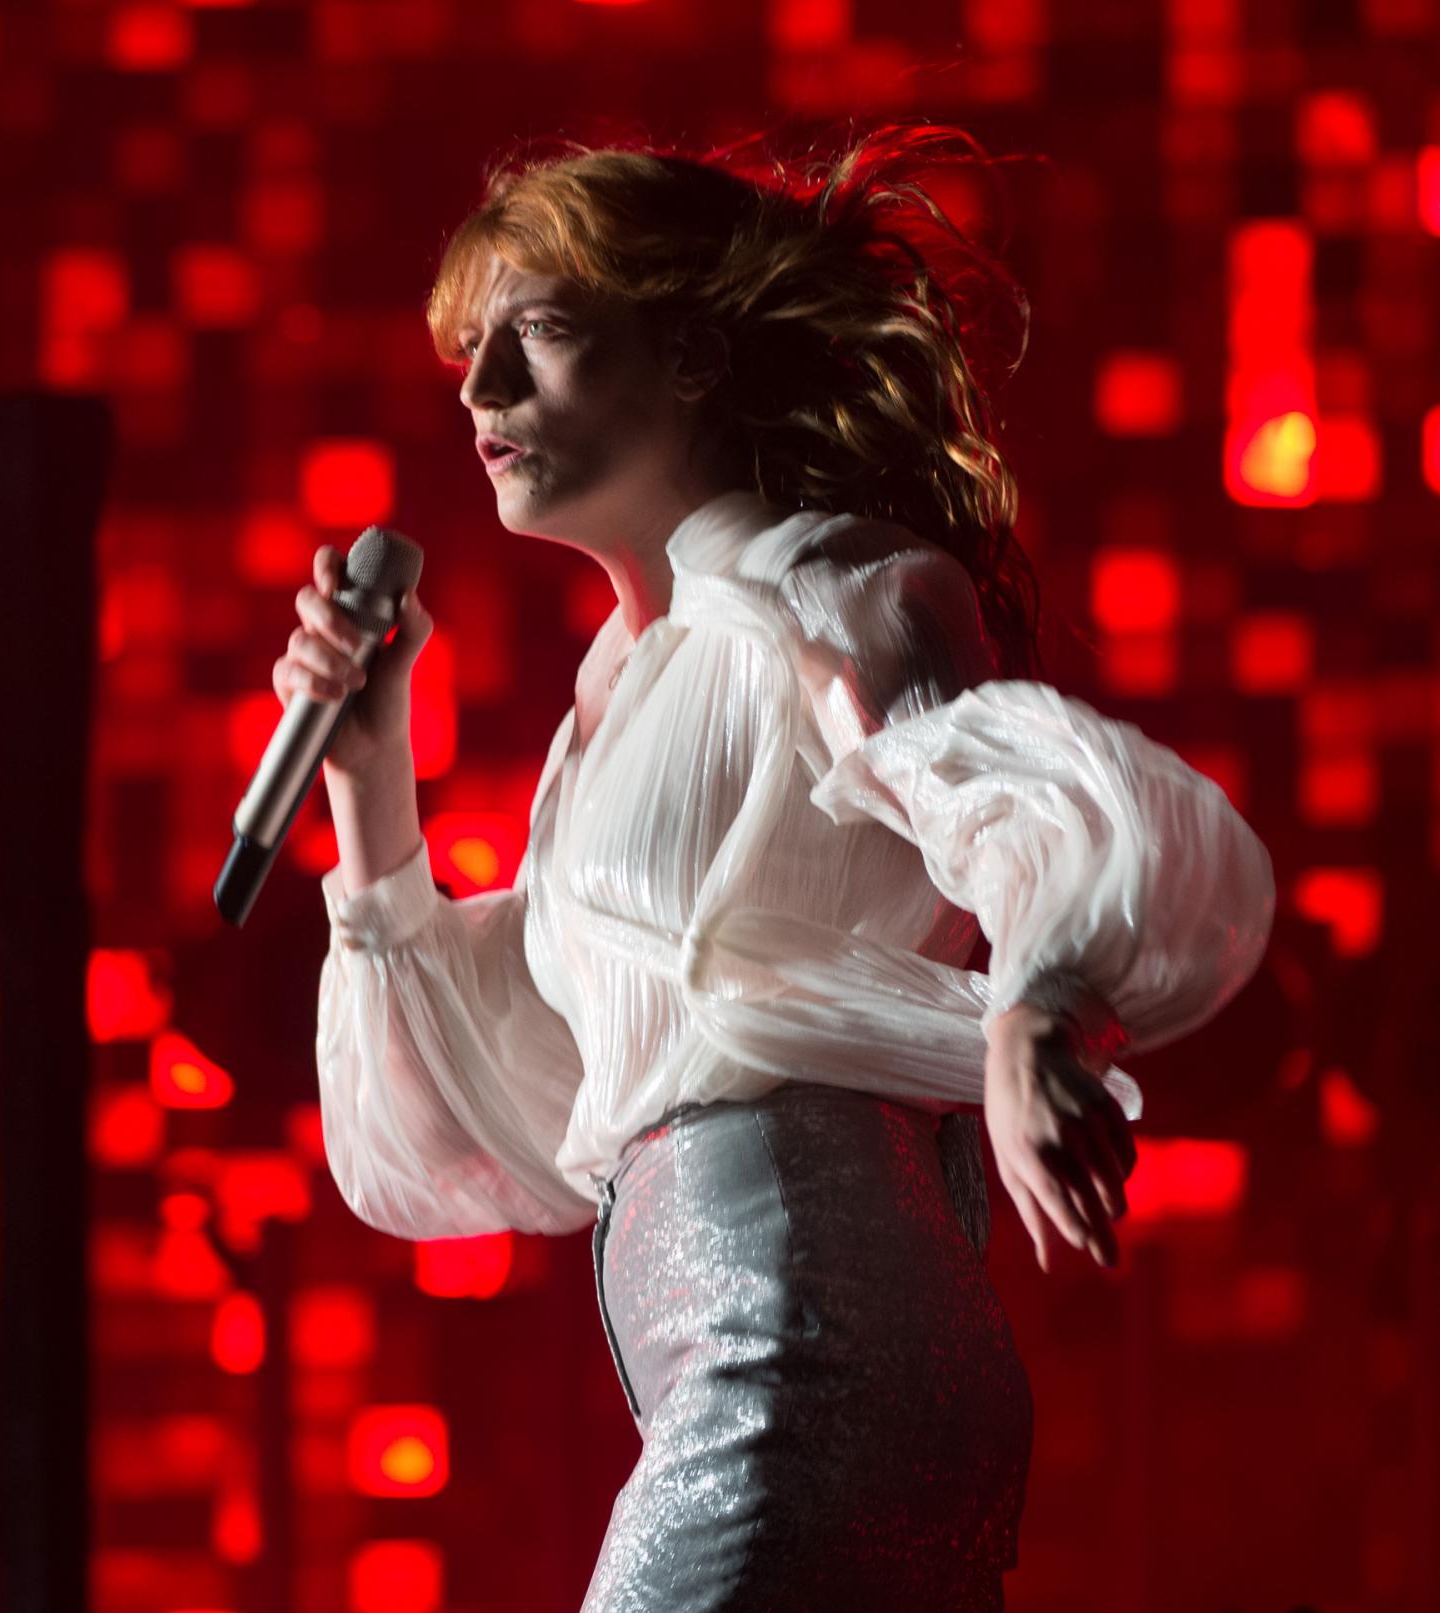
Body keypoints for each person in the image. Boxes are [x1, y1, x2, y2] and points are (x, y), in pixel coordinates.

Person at [287, 128, 1276, 1608]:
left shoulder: (821, 584)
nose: (482, 394)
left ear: (688, 356)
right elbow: (525, 1105)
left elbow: (999, 792)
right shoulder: (613, 700)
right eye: (470, 355)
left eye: (539, 340)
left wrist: (1035, 1005)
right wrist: (371, 776)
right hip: (755, 1352)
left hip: (799, 1347)